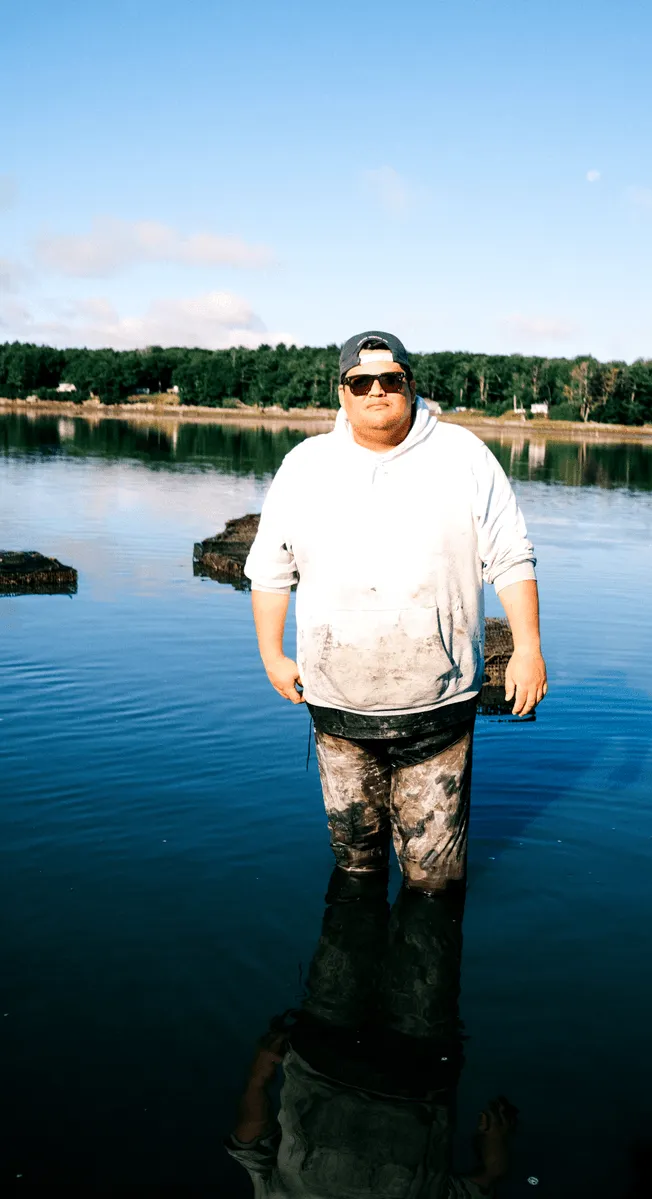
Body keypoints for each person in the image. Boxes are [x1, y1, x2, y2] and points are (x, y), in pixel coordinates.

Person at [244, 331, 546, 892]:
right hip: (336, 704)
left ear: (410, 385)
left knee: (434, 886)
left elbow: (511, 554)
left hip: (439, 707)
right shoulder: (305, 464)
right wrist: (271, 653)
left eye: (391, 380)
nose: (376, 390)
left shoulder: (464, 456)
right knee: (355, 873)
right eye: (361, 382)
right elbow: (270, 568)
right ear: (342, 393)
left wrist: (527, 649)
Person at [225, 869, 518, 1197]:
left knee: (387, 914)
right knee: (416, 914)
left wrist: (258, 1076)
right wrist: (494, 1147)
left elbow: (250, 1143)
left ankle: (383, 868)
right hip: (410, 1072)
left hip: (341, 1059)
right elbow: (485, 1180)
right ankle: (405, 873)